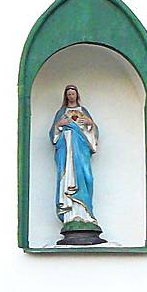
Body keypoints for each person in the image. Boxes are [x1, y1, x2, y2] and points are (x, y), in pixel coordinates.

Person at [50, 84, 99, 227]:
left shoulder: (83, 111)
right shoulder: (61, 112)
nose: (71, 96)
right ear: (66, 96)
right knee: (67, 177)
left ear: (77, 95)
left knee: (86, 177)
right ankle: (70, 216)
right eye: (69, 94)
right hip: (66, 151)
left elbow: (93, 132)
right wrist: (59, 125)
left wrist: (90, 123)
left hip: (81, 151)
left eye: (73, 94)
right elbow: (53, 135)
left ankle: (85, 214)